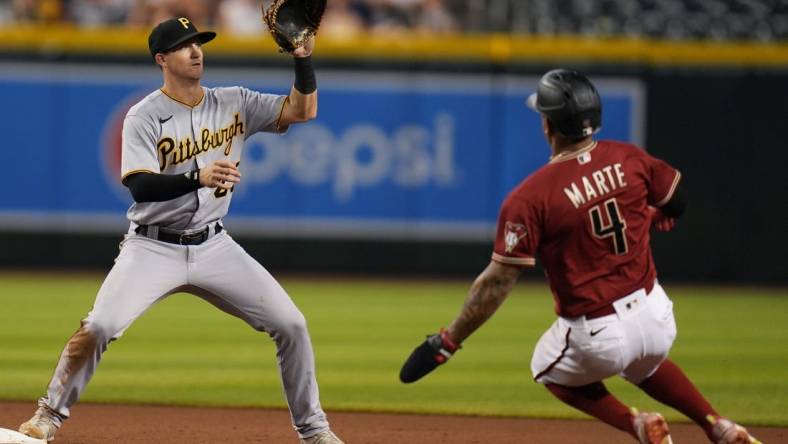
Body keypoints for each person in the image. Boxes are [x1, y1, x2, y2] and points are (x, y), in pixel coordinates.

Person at [19, 17, 343, 444]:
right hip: (152, 247)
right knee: (99, 326)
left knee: (292, 324)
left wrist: (303, 59)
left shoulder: (235, 101)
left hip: (214, 245)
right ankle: (48, 417)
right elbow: (139, 184)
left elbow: (304, 110)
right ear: (161, 59)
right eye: (184, 46)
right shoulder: (144, 115)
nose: (196, 51)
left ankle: (315, 430)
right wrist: (197, 176)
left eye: (199, 43)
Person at [399, 69, 760, 444]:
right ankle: (719, 426)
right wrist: (654, 215)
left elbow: (498, 281)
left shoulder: (530, 197)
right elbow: (677, 201)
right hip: (657, 315)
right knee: (643, 364)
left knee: (546, 367)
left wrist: (450, 339)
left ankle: (637, 424)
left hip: (599, 333)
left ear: (547, 126)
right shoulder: (629, 157)